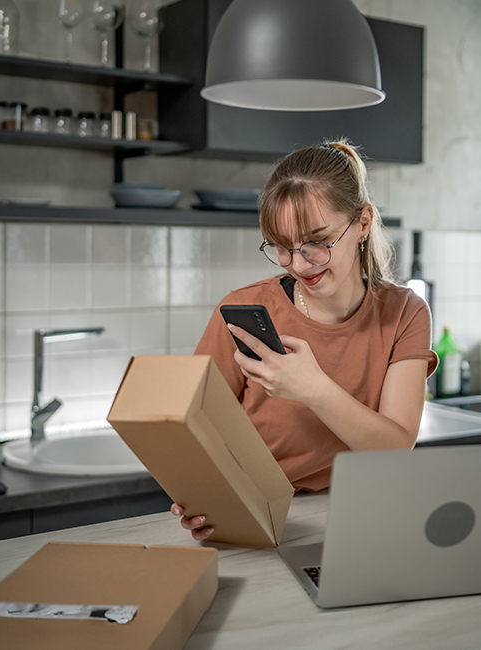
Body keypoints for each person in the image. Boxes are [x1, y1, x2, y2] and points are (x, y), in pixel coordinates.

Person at [171, 140, 438, 541]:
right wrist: (201, 495)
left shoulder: (405, 312)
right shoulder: (241, 309)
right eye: (282, 246)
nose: (298, 263)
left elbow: (395, 446)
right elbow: (190, 431)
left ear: (363, 223)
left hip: (358, 516)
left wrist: (313, 389)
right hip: (258, 514)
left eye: (318, 241)